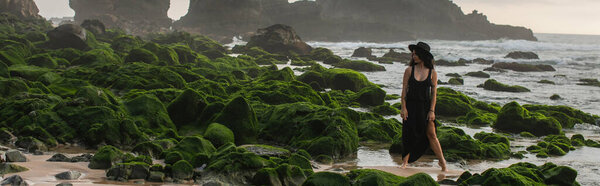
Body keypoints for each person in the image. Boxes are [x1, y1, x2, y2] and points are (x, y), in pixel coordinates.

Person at [400, 42, 447, 171]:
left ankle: (442, 162)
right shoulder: (409, 70)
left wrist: (432, 110)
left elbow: (434, 95)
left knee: (432, 134)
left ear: (423, 55)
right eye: (412, 54)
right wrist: (403, 107)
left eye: (416, 54)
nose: (413, 56)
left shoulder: (432, 72)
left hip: (425, 107)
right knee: (408, 134)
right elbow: (404, 90)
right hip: (411, 105)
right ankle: (405, 162)